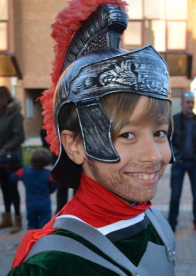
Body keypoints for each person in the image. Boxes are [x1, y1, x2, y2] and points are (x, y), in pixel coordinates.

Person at [8, 1, 175, 275]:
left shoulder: (155, 221)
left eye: (159, 133)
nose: (155, 156)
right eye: (128, 134)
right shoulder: (50, 266)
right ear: (74, 145)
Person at [168, 92, 196, 232]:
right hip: (179, 163)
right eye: (187, 102)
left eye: (192, 102)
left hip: (195, 163)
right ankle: (172, 224)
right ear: (182, 104)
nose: (190, 105)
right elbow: (168, 141)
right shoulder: (174, 120)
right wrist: (175, 156)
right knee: (175, 196)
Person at [10, 148, 57, 230]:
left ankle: (31, 241)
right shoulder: (49, 174)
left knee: (31, 225)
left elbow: (12, 177)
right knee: (45, 226)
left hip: (31, 204)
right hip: (44, 204)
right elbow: (53, 187)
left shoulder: (24, 172)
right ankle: (42, 242)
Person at [0, 86, 24, 234]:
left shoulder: (15, 115)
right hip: (1, 160)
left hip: (11, 159)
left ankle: (17, 219)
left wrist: (4, 149)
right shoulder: (1, 114)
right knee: (4, 190)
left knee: (13, 190)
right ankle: (7, 218)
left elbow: (19, 137)